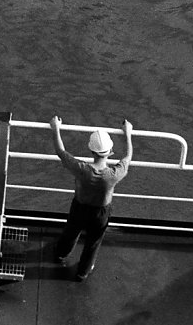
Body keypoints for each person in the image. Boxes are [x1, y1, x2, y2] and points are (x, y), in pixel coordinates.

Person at [50, 116, 133, 281]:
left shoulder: (82, 169)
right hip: (101, 213)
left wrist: (56, 129)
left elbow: (61, 152)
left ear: (91, 151)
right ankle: (83, 272)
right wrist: (128, 134)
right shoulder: (114, 174)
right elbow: (128, 157)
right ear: (110, 152)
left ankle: (61, 254)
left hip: (79, 207)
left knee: (71, 232)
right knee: (93, 243)